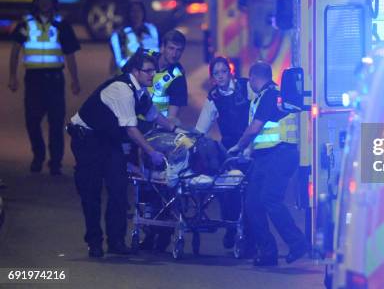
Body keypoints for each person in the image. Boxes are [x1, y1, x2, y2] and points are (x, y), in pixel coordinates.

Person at [67, 51, 178, 258]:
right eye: (147, 71)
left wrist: (176, 130)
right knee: (91, 193)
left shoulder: (140, 92)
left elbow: (154, 116)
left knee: (118, 188)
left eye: (153, 71)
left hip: (108, 140)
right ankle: (94, 242)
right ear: (135, 71)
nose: (151, 75)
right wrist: (151, 152)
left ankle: (116, 241)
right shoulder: (123, 90)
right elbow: (131, 129)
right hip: (87, 140)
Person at [228, 62, 307, 266]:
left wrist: (238, 146)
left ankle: (298, 243)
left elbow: (254, 129)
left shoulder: (271, 95)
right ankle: (267, 252)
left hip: (280, 153)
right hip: (265, 157)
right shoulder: (261, 98)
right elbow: (261, 134)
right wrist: (249, 152)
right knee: (253, 203)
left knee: (270, 199)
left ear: (254, 78)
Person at [8, 0, 81, 175]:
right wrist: (12, 76)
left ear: (54, 2)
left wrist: (75, 80)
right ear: (36, 0)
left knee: (56, 123)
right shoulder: (26, 24)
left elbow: (70, 54)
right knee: (32, 121)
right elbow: (15, 51)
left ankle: (55, 162)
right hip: (33, 80)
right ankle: (38, 156)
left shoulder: (61, 25)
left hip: (54, 79)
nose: (44, 3)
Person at [138, 29, 187, 252]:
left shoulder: (177, 76)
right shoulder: (144, 58)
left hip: (158, 134)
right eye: (171, 48)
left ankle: (161, 234)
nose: (174, 54)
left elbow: (173, 115)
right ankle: (148, 230)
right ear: (163, 46)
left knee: (160, 184)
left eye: (179, 50)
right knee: (141, 184)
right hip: (134, 128)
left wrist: (164, 135)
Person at [195, 56, 250, 249]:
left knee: (250, 195)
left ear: (230, 72)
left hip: (251, 147)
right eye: (216, 73)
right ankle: (231, 228)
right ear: (212, 77)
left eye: (223, 71)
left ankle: (249, 237)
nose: (220, 76)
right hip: (229, 150)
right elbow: (201, 128)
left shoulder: (246, 87)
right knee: (228, 192)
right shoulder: (214, 98)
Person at [109, 1, 159, 75]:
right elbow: (119, 61)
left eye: (139, 11)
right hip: (127, 74)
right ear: (128, 14)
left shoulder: (151, 29)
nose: (136, 14)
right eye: (133, 11)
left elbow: (156, 51)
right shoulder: (119, 34)